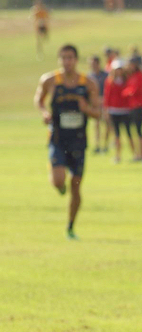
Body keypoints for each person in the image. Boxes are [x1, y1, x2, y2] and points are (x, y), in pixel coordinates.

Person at [34, 44, 100, 240]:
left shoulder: (88, 84)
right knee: (59, 181)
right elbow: (38, 100)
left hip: (78, 141)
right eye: (63, 58)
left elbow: (98, 113)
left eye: (70, 58)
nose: (66, 61)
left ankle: (70, 226)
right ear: (59, 60)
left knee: (76, 186)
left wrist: (86, 109)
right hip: (58, 139)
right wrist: (45, 113)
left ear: (76, 60)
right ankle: (59, 184)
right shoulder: (50, 81)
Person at [104, 59, 135, 163]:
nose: (118, 71)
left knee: (129, 133)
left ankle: (135, 154)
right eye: (117, 69)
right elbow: (107, 96)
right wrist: (107, 109)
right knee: (116, 135)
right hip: (114, 110)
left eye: (120, 69)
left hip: (125, 110)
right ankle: (118, 155)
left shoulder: (127, 80)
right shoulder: (110, 81)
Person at [123, 56, 142, 160]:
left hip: (138, 105)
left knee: (139, 130)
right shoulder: (130, 76)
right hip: (131, 106)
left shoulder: (139, 75)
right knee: (132, 131)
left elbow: (135, 90)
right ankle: (137, 154)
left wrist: (126, 93)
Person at [88, 55, 109, 154]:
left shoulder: (105, 75)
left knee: (107, 124)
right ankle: (97, 145)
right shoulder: (90, 76)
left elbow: (108, 89)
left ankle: (106, 145)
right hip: (95, 104)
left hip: (105, 103)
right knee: (96, 125)